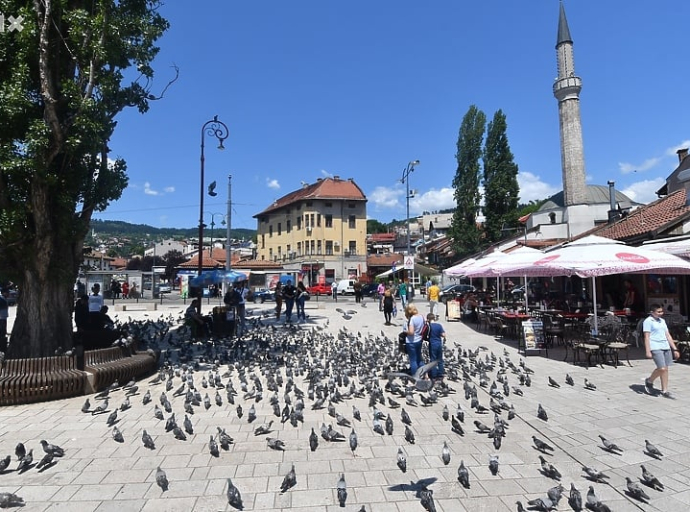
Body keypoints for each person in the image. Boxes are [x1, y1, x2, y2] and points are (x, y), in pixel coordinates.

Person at [643, 304, 680, 398]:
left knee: (665, 369)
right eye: (658, 312)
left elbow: (668, 335)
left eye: (661, 311)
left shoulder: (662, 321)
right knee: (661, 368)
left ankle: (665, 390)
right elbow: (646, 337)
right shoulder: (648, 321)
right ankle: (649, 380)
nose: (660, 314)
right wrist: (648, 351)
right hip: (655, 346)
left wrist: (674, 348)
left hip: (665, 346)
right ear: (652, 312)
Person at [404, 304, 426, 375]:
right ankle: (425, 375)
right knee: (419, 358)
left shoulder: (412, 319)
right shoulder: (421, 316)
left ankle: (415, 376)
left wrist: (405, 331)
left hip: (411, 342)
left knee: (413, 360)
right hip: (419, 340)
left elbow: (411, 332)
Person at [426, 313, 446, 382]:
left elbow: (426, 335)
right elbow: (443, 335)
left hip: (432, 344)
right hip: (439, 344)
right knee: (440, 360)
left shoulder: (429, 327)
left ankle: (434, 376)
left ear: (428, 319)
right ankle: (440, 375)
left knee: (433, 360)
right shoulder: (439, 325)